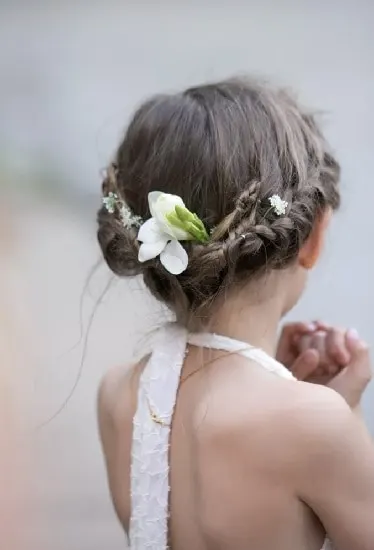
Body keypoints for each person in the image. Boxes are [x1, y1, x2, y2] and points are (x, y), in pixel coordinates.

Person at [96, 78, 374, 550]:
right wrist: (341, 421)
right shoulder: (318, 428)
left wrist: (300, 399)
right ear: (314, 238)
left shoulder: (117, 395)